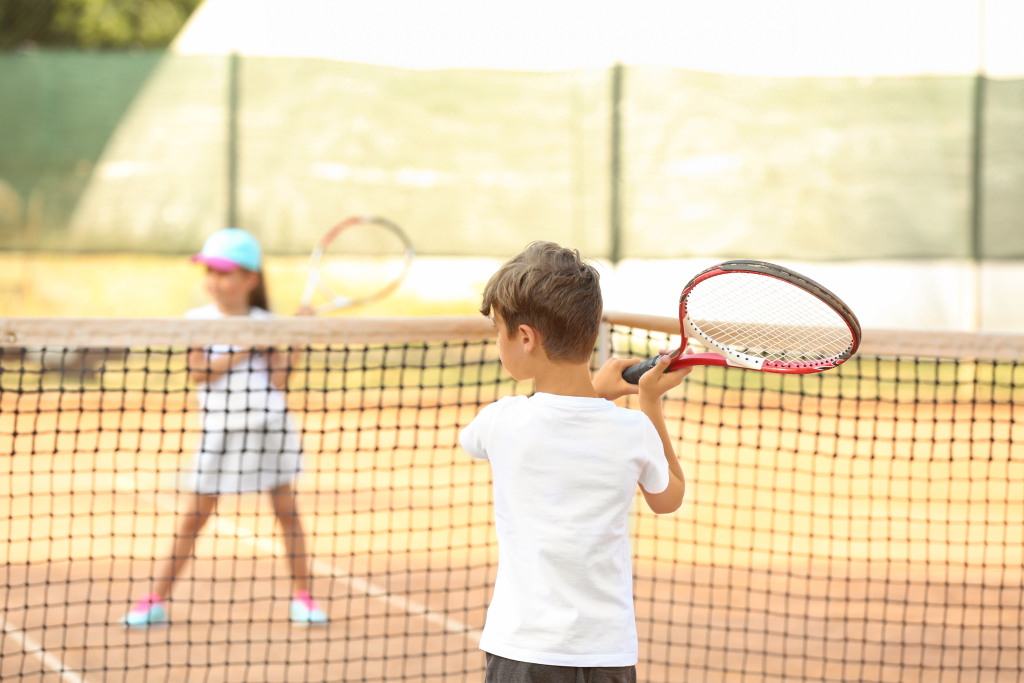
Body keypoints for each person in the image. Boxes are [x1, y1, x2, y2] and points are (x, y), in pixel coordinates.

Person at [459, 242, 689, 682]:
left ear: (525, 337)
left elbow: (501, 434)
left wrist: (597, 393)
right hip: (607, 654)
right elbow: (668, 498)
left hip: (522, 651)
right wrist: (649, 402)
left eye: (500, 330)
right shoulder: (633, 432)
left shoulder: (500, 422)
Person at [121, 228, 328, 628]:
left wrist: (297, 339)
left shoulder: (267, 322)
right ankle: (155, 599)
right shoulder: (198, 321)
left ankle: (304, 597)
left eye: (224, 272)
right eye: (209, 272)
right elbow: (198, 371)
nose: (214, 281)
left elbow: (280, 379)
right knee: (194, 516)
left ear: (250, 278)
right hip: (220, 432)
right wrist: (248, 345)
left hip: (270, 427)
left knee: (287, 513)